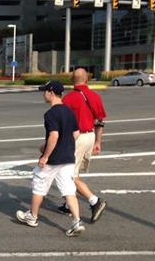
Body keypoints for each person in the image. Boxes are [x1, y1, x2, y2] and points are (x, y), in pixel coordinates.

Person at [16, 81, 86, 237]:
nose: (43, 94)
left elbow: (54, 135)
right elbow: (76, 134)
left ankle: (32, 217)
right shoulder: (68, 111)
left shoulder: (51, 114)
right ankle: (76, 221)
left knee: (39, 183)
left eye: (45, 91)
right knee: (68, 190)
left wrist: (45, 155)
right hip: (68, 156)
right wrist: (59, 145)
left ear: (51, 92)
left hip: (54, 158)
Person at [58, 67, 108, 223]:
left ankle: (94, 201)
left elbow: (62, 124)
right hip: (90, 136)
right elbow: (100, 121)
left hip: (76, 138)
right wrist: (98, 142)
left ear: (72, 81)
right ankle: (68, 203)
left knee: (69, 174)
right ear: (87, 79)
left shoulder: (68, 99)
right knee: (75, 169)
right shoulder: (95, 96)